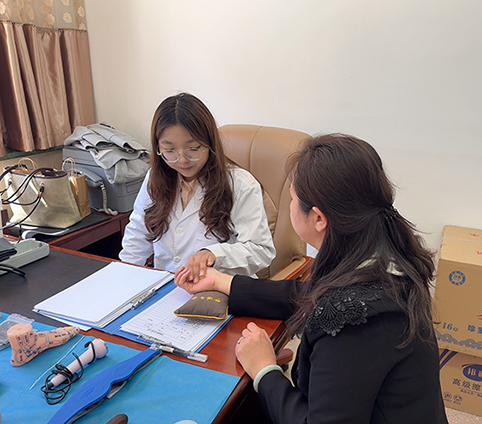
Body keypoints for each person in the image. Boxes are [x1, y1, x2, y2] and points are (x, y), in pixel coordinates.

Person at [175, 134, 449, 424]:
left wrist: (265, 370)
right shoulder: (378, 254)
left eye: (292, 198)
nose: (290, 205)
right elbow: (308, 293)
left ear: (318, 218)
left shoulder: (357, 317)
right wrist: (222, 282)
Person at [120, 93, 275, 277]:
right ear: (158, 147)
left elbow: (260, 251)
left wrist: (214, 255)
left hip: (220, 289)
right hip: (168, 285)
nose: (182, 160)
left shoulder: (240, 184)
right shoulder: (155, 178)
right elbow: (138, 234)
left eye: (193, 148)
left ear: (209, 143)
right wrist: (124, 276)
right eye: (169, 150)